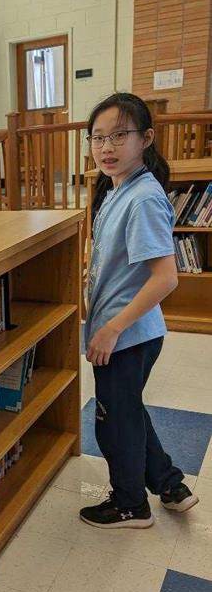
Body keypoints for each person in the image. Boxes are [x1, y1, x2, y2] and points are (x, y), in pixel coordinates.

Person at [80, 92, 198, 529]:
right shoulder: (118, 188)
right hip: (130, 330)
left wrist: (112, 328)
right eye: (98, 138)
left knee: (114, 422)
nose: (107, 147)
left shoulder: (143, 198)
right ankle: (169, 484)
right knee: (127, 409)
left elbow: (166, 278)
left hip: (128, 335)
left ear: (145, 138)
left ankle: (131, 505)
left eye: (119, 136)